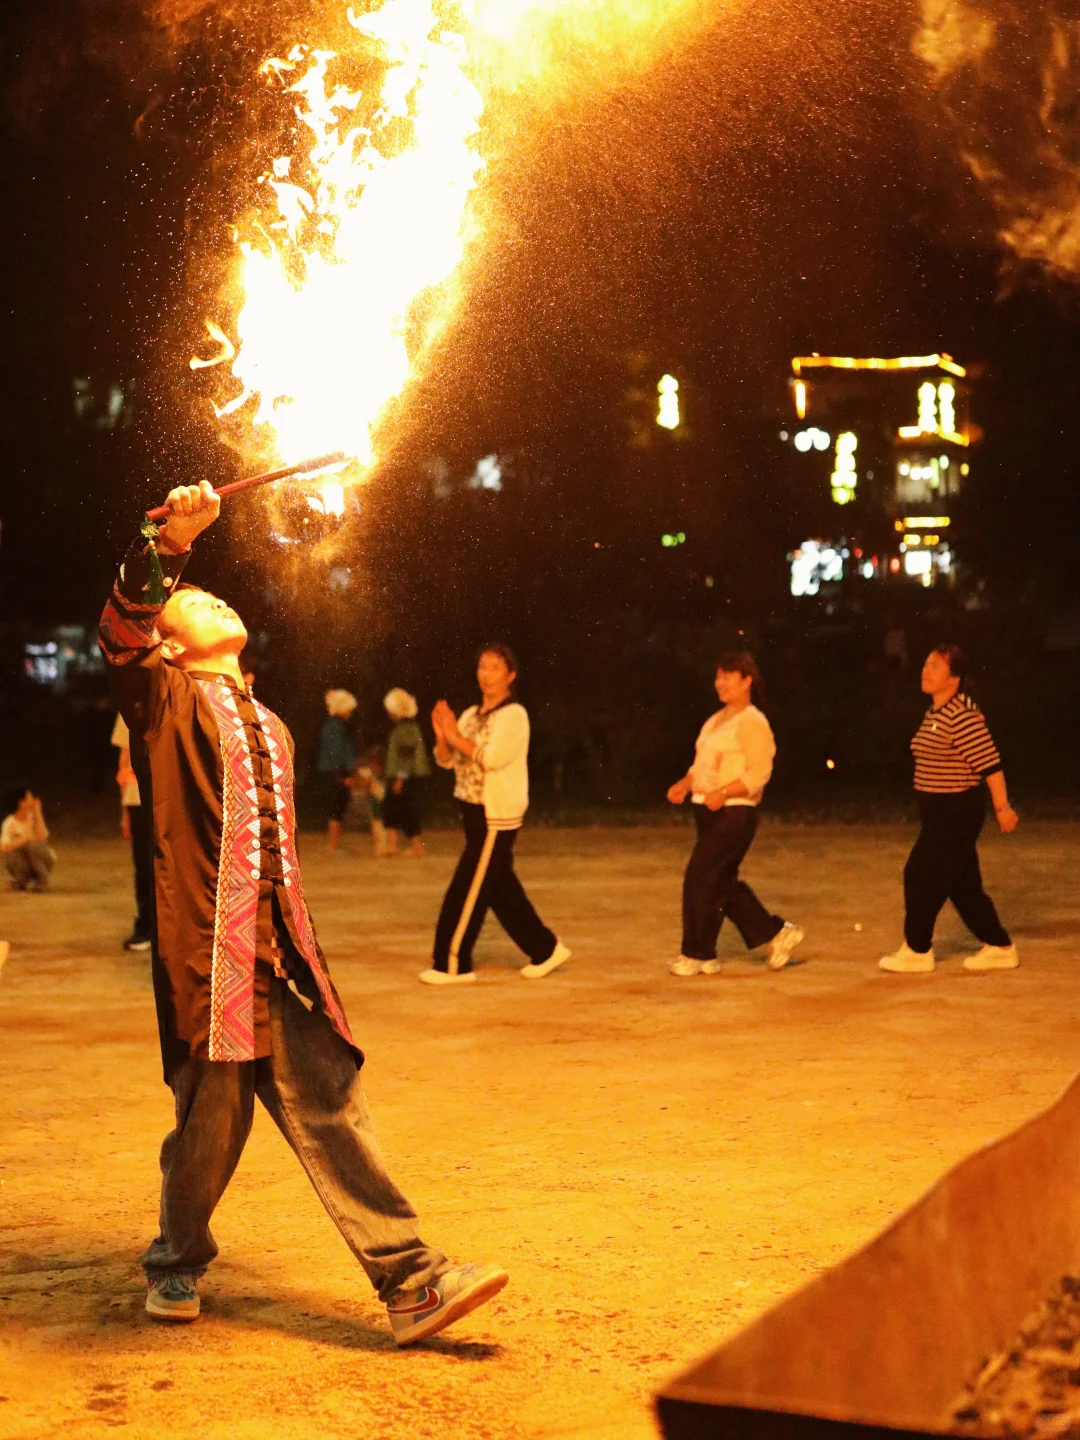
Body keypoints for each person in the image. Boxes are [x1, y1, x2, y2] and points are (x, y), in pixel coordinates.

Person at [98, 482, 507, 1339]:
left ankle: (412, 1281)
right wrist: (169, 543)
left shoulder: (272, 723)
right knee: (213, 1122)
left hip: (281, 956)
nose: (212, 597)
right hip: (210, 956)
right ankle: (175, 1258)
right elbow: (124, 626)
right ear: (170, 649)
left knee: (332, 1102)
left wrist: (292, 947)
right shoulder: (165, 702)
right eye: (194, 601)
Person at [424, 644, 571, 986]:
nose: (486, 674)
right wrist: (442, 738)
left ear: (510, 675)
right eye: (482, 667)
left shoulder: (514, 716)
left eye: (494, 668)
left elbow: (490, 758)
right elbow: (448, 760)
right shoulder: (472, 713)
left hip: (495, 817)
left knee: (466, 890)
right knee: (499, 888)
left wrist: (454, 735)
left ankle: (451, 964)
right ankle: (545, 949)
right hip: (472, 812)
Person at [880, 644, 1019, 974]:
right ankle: (999, 946)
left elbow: (990, 766)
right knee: (963, 886)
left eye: (935, 667)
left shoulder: (963, 715)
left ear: (954, 677)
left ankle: (917, 949)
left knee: (919, 874)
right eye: (925, 664)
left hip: (957, 811)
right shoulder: (935, 713)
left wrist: (1003, 808)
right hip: (938, 812)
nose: (925, 671)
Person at [666, 652, 804, 976]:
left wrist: (724, 792)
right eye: (718, 677)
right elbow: (701, 765)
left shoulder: (753, 722)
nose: (720, 683)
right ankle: (777, 933)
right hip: (708, 809)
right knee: (720, 884)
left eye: (728, 676)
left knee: (700, 876)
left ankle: (697, 953)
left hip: (735, 812)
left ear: (747, 681)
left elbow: (759, 772)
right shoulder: (716, 720)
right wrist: (685, 784)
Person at [111, 712, 152, 950]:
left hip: (170, 797)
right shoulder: (128, 709)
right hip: (138, 799)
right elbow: (124, 762)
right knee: (144, 865)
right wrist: (124, 811)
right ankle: (146, 927)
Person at [382, 688, 431, 859]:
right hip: (403, 776)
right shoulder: (407, 726)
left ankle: (417, 848)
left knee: (407, 810)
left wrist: (400, 778)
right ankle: (392, 845)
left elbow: (406, 756)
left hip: (404, 777)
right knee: (395, 809)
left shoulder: (406, 728)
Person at [318, 689, 358, 853]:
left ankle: (334, 845)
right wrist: (343, 775)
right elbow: (335, 753)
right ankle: (333, 846)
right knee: (337, 808)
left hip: (335, 773)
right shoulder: (335, 727)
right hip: (337, 774)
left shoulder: (334, 726)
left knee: (338, 808)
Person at [1, 786, 56, 893]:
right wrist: (24, 840)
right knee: (16, 852)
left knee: (33, 846)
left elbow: (42, 837)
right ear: (22, 803)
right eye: (30, 797)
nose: (33, 800)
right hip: (23, 863)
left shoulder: (33, 818)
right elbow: (4, 848)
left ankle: (41, 881)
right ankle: (20, 881)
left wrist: (38, 813)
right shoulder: (10, 823)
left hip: (41, 860)